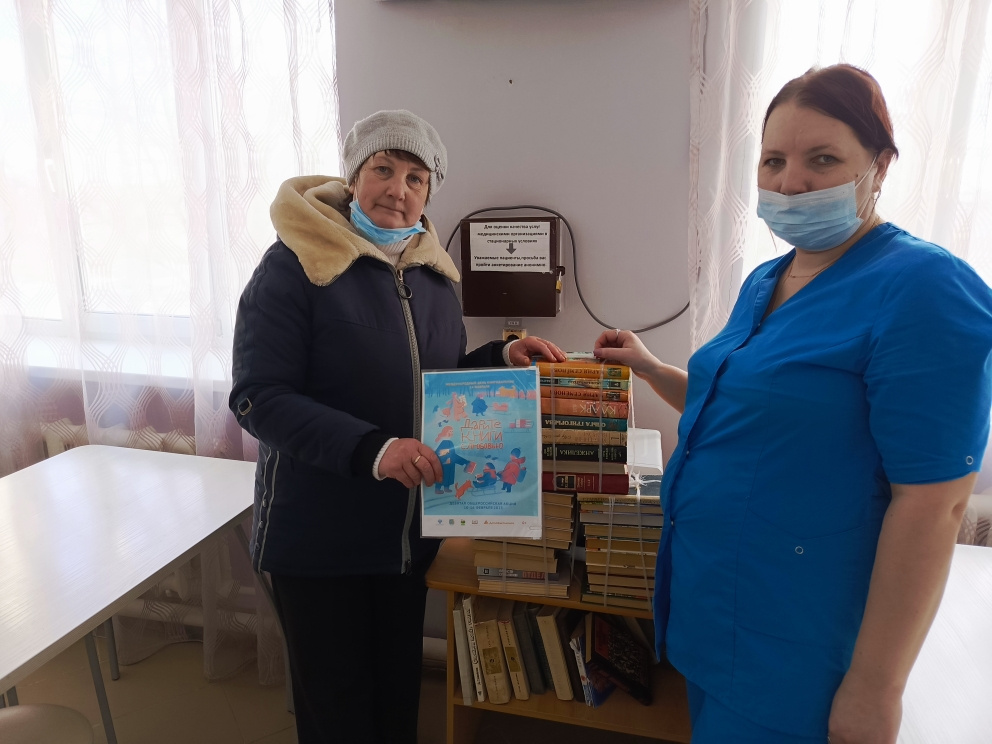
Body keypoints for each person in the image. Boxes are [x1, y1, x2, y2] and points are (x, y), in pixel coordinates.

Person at [595, 64, 992, 744]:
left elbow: (934, 503)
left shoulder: (925, 288)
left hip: (799, 642)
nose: (790, 182)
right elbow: (737, 412)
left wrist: (876, 689)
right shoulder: (768, 278)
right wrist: (651, 368)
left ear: (880, 166)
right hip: (714, 614)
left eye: (822, 159)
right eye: (773, 160)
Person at [229, 109, 565, 744]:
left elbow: (436, 383)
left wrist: (500, 358)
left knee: (395, 700)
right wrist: (373, 450)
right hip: (320, 539)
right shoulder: (293, 264)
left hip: (407, 536)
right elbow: (258, 398)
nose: (398, 189)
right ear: (354, 176)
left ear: (429, 193)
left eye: (416, 178)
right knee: (337, 711)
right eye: (383, 169)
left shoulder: (434, 277)